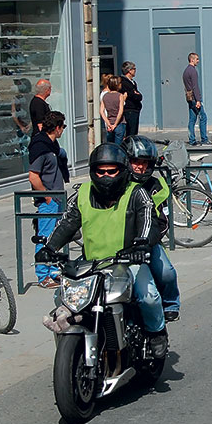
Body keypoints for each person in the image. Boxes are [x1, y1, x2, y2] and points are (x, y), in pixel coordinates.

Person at [37, 143, 167, 356]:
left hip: (129, 262)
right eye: (101, 171)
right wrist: (49, 248)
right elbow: (67, 223)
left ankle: (156, 332)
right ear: (93, 171)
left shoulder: (137, 193)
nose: (106, 176)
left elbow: (148, 222)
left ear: (122, 171)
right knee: (62, 297)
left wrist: (142, 244)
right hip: (91, 264)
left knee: (149, 296)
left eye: (111, 171)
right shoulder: (83, 194)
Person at [123, 136, 181, 323]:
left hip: (148, 242)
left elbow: (163, 219)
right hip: (117, 245)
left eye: (145, 163)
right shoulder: (116, 185)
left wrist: (149, 239)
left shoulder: (155, 186)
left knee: (166, 273)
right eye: (135, 162)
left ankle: (171, 303)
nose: (140, 167)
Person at [28, 110, 69, 288]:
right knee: (44, 237)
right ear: (57, 128)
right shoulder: (41, 146)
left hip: (57, 199)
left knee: (55, 237)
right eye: (63, 127)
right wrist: (47, 198)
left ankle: (53, 271)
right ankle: (43, 275)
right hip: (49, 201)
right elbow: (33, 176)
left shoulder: (52, 145)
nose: (63, 131)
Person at [182, 52, 209, 146]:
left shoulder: (186, 71)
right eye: (197, 59)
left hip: (189, 98)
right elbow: (195, 87)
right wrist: (198, 100)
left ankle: (192, 139)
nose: (198, 61)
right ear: (192, 59)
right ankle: (204, 139)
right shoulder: (193, 71)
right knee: (203, 117)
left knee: (192, 119)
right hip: (194, 98)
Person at [100, 74, 126, 143]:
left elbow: (101, 111)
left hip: (109, 123)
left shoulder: (105, 96)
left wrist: (108, 123)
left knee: (110, 145)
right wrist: (115, 124)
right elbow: (120, 111)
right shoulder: (120, 96)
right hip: (119, 123)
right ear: (117, 85)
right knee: (118, 146)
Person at [119, 62, 142, 139]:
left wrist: (137, 94)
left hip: (135, 109)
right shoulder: (124, 82)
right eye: (134, 69)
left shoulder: (133, 82)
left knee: (134, 131)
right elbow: (132, 95)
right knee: (131, 132)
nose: (135, 71)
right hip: (130, 109)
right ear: (129, 70)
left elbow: (139, 95)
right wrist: (136, 94)